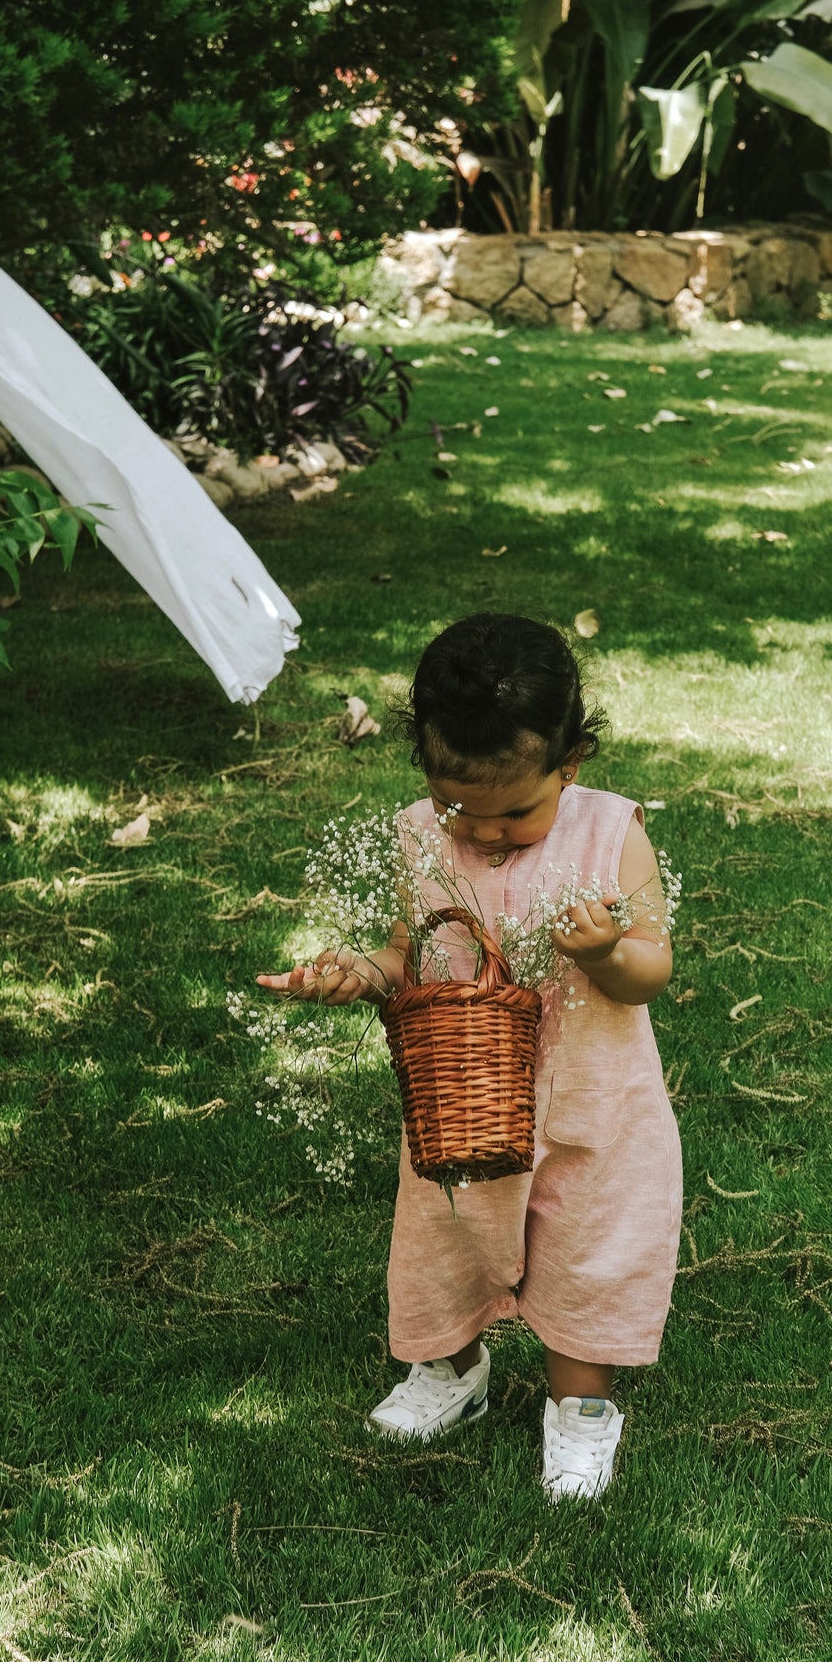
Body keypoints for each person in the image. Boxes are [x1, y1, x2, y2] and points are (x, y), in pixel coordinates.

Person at [257, 613, 682, 1502]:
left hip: (591, 1103)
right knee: (442, 1239)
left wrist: (604, 951)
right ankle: (451, 1372)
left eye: (516, 812)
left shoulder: (610, 834)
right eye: (461, 811)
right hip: (464, 1098)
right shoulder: (420, 836)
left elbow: (650, 971)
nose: (482, 835)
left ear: (573, 762)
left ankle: (581, 1410)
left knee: (588, 1244)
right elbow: (402, 956)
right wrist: (355, 975)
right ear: (422, 764)